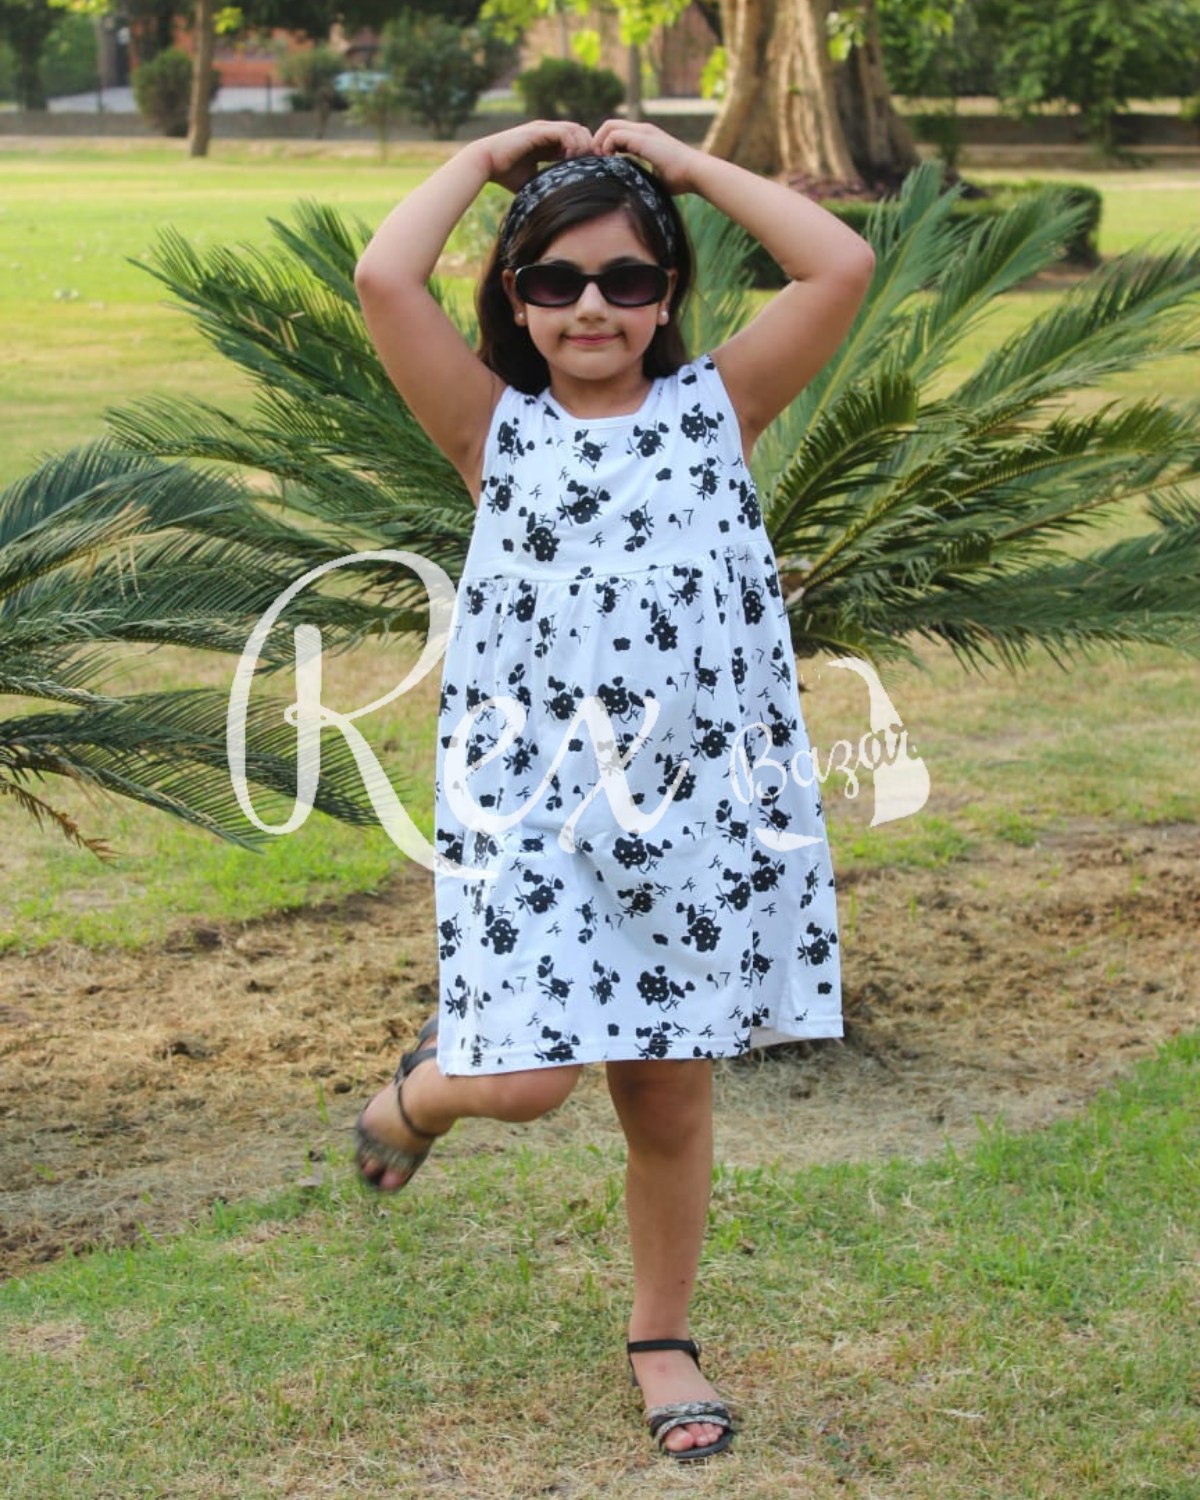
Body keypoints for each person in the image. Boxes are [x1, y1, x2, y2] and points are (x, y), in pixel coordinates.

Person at [352, 117, 875, 1462]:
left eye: (628, 279)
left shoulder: (718, 410)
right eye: (558, 280)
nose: (593, 307)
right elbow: (383, 279)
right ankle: (424, 1094)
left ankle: (661, 1339)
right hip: (530, 811)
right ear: (517, 295)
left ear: (667, 293)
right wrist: (482, 162)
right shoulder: (493, 429)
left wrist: (688, 170)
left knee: (665, 1097)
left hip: (691, 816)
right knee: (525, 1083)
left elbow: (839, 265)